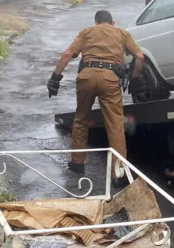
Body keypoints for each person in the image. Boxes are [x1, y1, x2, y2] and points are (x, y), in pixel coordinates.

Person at [47, 10, 143, 174]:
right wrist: (134, 80)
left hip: (86, 78)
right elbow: (140, 57)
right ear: (113, 23)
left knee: (81, 119)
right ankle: (118, 173)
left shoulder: (87, 32)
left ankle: (77, 162)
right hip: (110, 80)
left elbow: (68, 54)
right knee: (115, 126)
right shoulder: (122, 33)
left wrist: (55, 78)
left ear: (96, 22)